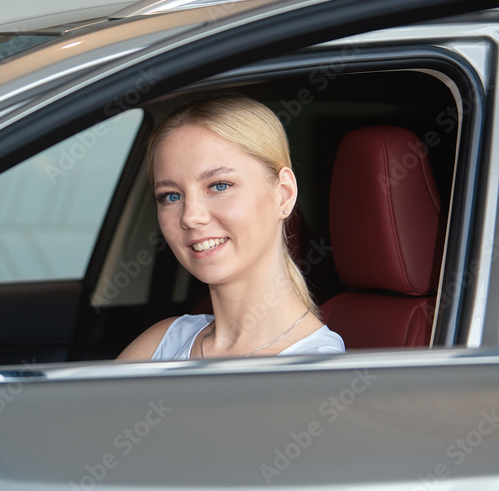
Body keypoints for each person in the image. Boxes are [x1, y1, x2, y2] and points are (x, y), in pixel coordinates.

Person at [117, 94, 344, 361]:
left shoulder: (316, 370)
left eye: (219, 186)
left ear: (283, 194)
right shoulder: (162, 341)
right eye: (171, 195)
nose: (190, 217)